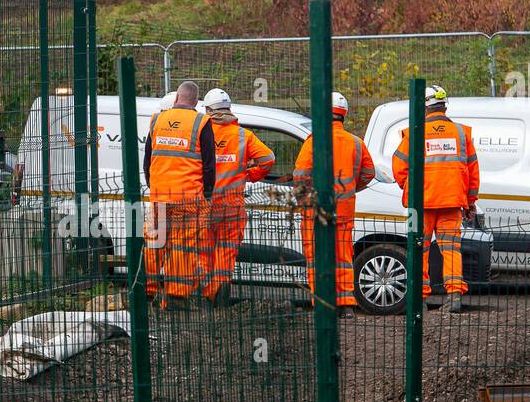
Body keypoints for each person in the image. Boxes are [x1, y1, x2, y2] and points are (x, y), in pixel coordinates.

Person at [392, 85, 480, 313]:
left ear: (425, 107)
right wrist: (470, 202)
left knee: (417, 249)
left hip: (419, 206)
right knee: (451, 249)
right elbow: (472, 171)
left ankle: (418, 299)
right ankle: (454, 297)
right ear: (443, 105)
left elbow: (399, 167)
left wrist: (410, 188)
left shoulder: (413, 133)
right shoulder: (462, 133)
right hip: (452, 202)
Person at [293, 92, 374, 317]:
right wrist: (350, 189)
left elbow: (300, 174)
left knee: (317, 256)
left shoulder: (315, 141)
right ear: (343, 115)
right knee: (342, 256)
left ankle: (322, 304)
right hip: (344, 208)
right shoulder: (356, 143)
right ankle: (346, 303)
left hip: (316, 209)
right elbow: (369, 173)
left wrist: (305, 199)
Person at [142, 81, 216, 308]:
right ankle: (175, 297)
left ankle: (148, 292)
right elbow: (209, 165)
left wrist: (154, 186)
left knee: (154, 244)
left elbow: (147, 160)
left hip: (159, 196)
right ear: (196, 102)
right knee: (182, 248)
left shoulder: (157, 120)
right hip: (188, 199)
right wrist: (207, 194)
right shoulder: (201, 122)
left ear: (176, 99)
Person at [198, 88, 275, 305]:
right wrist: (250, 175)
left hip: (205, 203)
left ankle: (205, 297)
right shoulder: (243, 135)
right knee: (225, 252)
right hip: (232, 205)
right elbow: (268, 159)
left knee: (204, 252)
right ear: (229, 109)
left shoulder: (200, 133)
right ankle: (219, 298)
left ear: (208, 110)